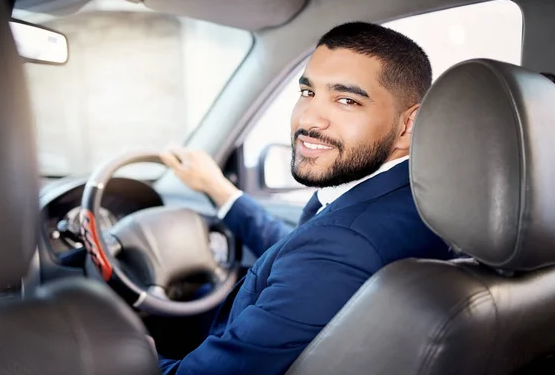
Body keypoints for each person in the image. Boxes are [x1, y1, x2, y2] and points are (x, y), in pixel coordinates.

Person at [158, 22, 455, 375]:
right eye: (307, 92)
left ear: (407, 126)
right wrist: (221, 192)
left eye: (347, 100)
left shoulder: (344, 246)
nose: (309, 117)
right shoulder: (420, 199)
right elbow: (301, 255)